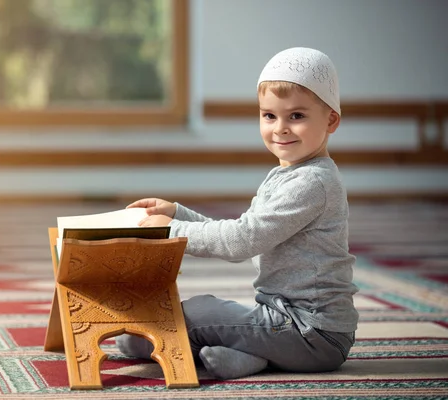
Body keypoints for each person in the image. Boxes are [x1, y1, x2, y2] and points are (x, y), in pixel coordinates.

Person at [116, 47, 359, 380]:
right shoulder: (287, 174)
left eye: (296, 116)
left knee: (198, 311)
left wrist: (171, 230)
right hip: (284, 321)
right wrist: (176, 212)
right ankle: (250, 359)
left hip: (311, 332)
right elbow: (244, 231)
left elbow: (242, 242)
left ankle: (156, 340)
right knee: (214, 312)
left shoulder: (313, 182)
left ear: (331, 120)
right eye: (269, 116)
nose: (281, 128)